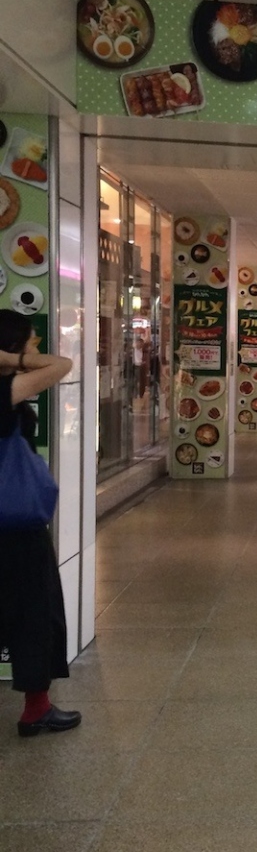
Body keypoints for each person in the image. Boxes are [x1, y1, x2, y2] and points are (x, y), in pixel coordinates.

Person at [0, 310, 80, 737]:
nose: (36, 349)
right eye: (30, 341)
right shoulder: (7, 389)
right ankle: (36, 709)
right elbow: (62, 365)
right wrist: (11, 360)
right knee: (35, 611)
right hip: (15, 523)